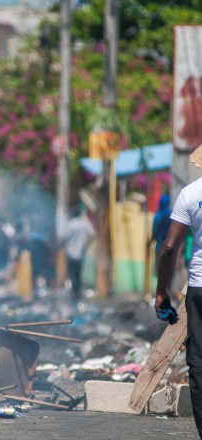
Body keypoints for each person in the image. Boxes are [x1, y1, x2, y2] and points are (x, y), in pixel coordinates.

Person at [155, 144, 202, 438]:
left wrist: (162, 291)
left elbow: (169, 248)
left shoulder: (190, 194)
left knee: (198, 362)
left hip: (199, 288)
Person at [63, 208, 94, 300]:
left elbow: (64, 238)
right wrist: (86, 244)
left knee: (72, 274)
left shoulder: (69, 225)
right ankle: (78, 292)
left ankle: (74, 293)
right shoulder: (85, 224)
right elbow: (92, 235)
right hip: (81, 253)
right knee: (78, 273)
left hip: (71, 253)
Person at [151, 193, 173, 271]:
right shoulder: (172, 216)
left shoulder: (158, 215)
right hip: (170, 249)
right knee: (167, 272)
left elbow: (154, 232)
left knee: (159, 272)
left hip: (159, 248)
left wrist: (150, 241)